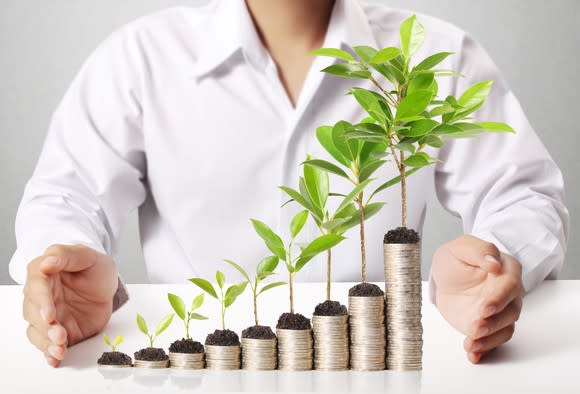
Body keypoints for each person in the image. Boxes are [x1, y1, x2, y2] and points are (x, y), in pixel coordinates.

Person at [11, 0, 568, 368]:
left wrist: (495, 261)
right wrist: (64, 262)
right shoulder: (140, 58)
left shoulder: (430, 54)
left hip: (372, 364)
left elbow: (523, 194)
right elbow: (67, 194)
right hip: (199, 366)